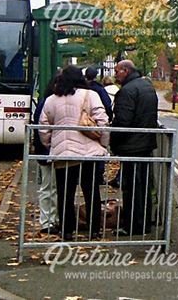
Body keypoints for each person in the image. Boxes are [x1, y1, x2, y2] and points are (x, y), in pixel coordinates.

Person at [40, 66, 109, 240]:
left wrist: (50, 144)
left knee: (65, 193)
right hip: (89, 154)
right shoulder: (91, 95)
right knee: (91, 191)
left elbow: (43, 127)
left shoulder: (51, 100)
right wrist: (103, 144)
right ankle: (94, 230)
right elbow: (103, 121)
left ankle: (67, 230)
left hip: (63, 153)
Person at [110, 60, 159, 236]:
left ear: (126, 70)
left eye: (117, 71)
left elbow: (122, 121)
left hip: (131, 146)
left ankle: (132, 226)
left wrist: (113, 143)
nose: (115, 74)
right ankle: (144, 224)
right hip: (146, 144)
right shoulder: (147, 87)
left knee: (131, 189)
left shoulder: (127, 91)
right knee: (144, 187)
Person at [32, 77, 59, 234]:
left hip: (49, 150)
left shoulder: (45, 102)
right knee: (49, 187)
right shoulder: (48, 103)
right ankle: (47, 220)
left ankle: (51, 219)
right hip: (49, 151)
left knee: (51, 187)